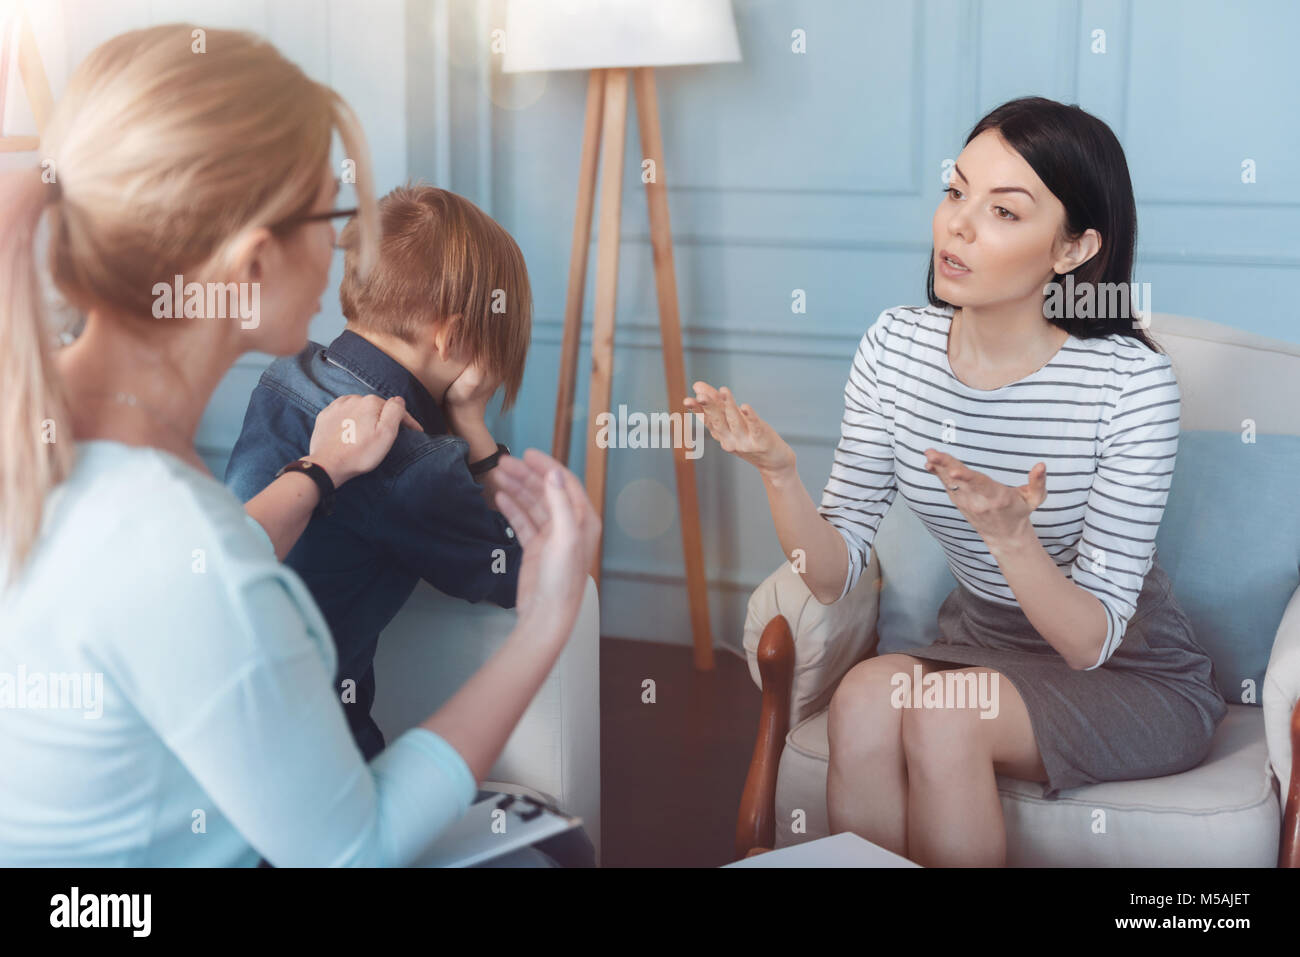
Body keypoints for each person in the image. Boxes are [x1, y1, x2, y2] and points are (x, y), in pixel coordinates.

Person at [0, 24, 599, 867]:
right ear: (251, 264)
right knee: (555, 847)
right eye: (333, 215)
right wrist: (552, 618)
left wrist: (315, 473)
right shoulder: (173, 539)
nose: (347, 250)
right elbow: (356, 848)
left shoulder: (62, 443)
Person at [686, 96, 1227, 867]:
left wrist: (1013, 541)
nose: (959, 225)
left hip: (1126, 667)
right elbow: (835, 576)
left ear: (1072, 250)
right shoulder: (895, 348)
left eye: (1004, 211)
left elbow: (1090, 638)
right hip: (979, 643)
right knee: (864, 699)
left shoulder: (1129, 382)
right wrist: (781, 476)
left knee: (944, 713)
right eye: (955, 191)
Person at [224, 184, 530, 764]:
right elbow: (525, 572)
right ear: (458, 337)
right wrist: (472, 423)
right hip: (317, 759)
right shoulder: (414, 463)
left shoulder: (286, 374)